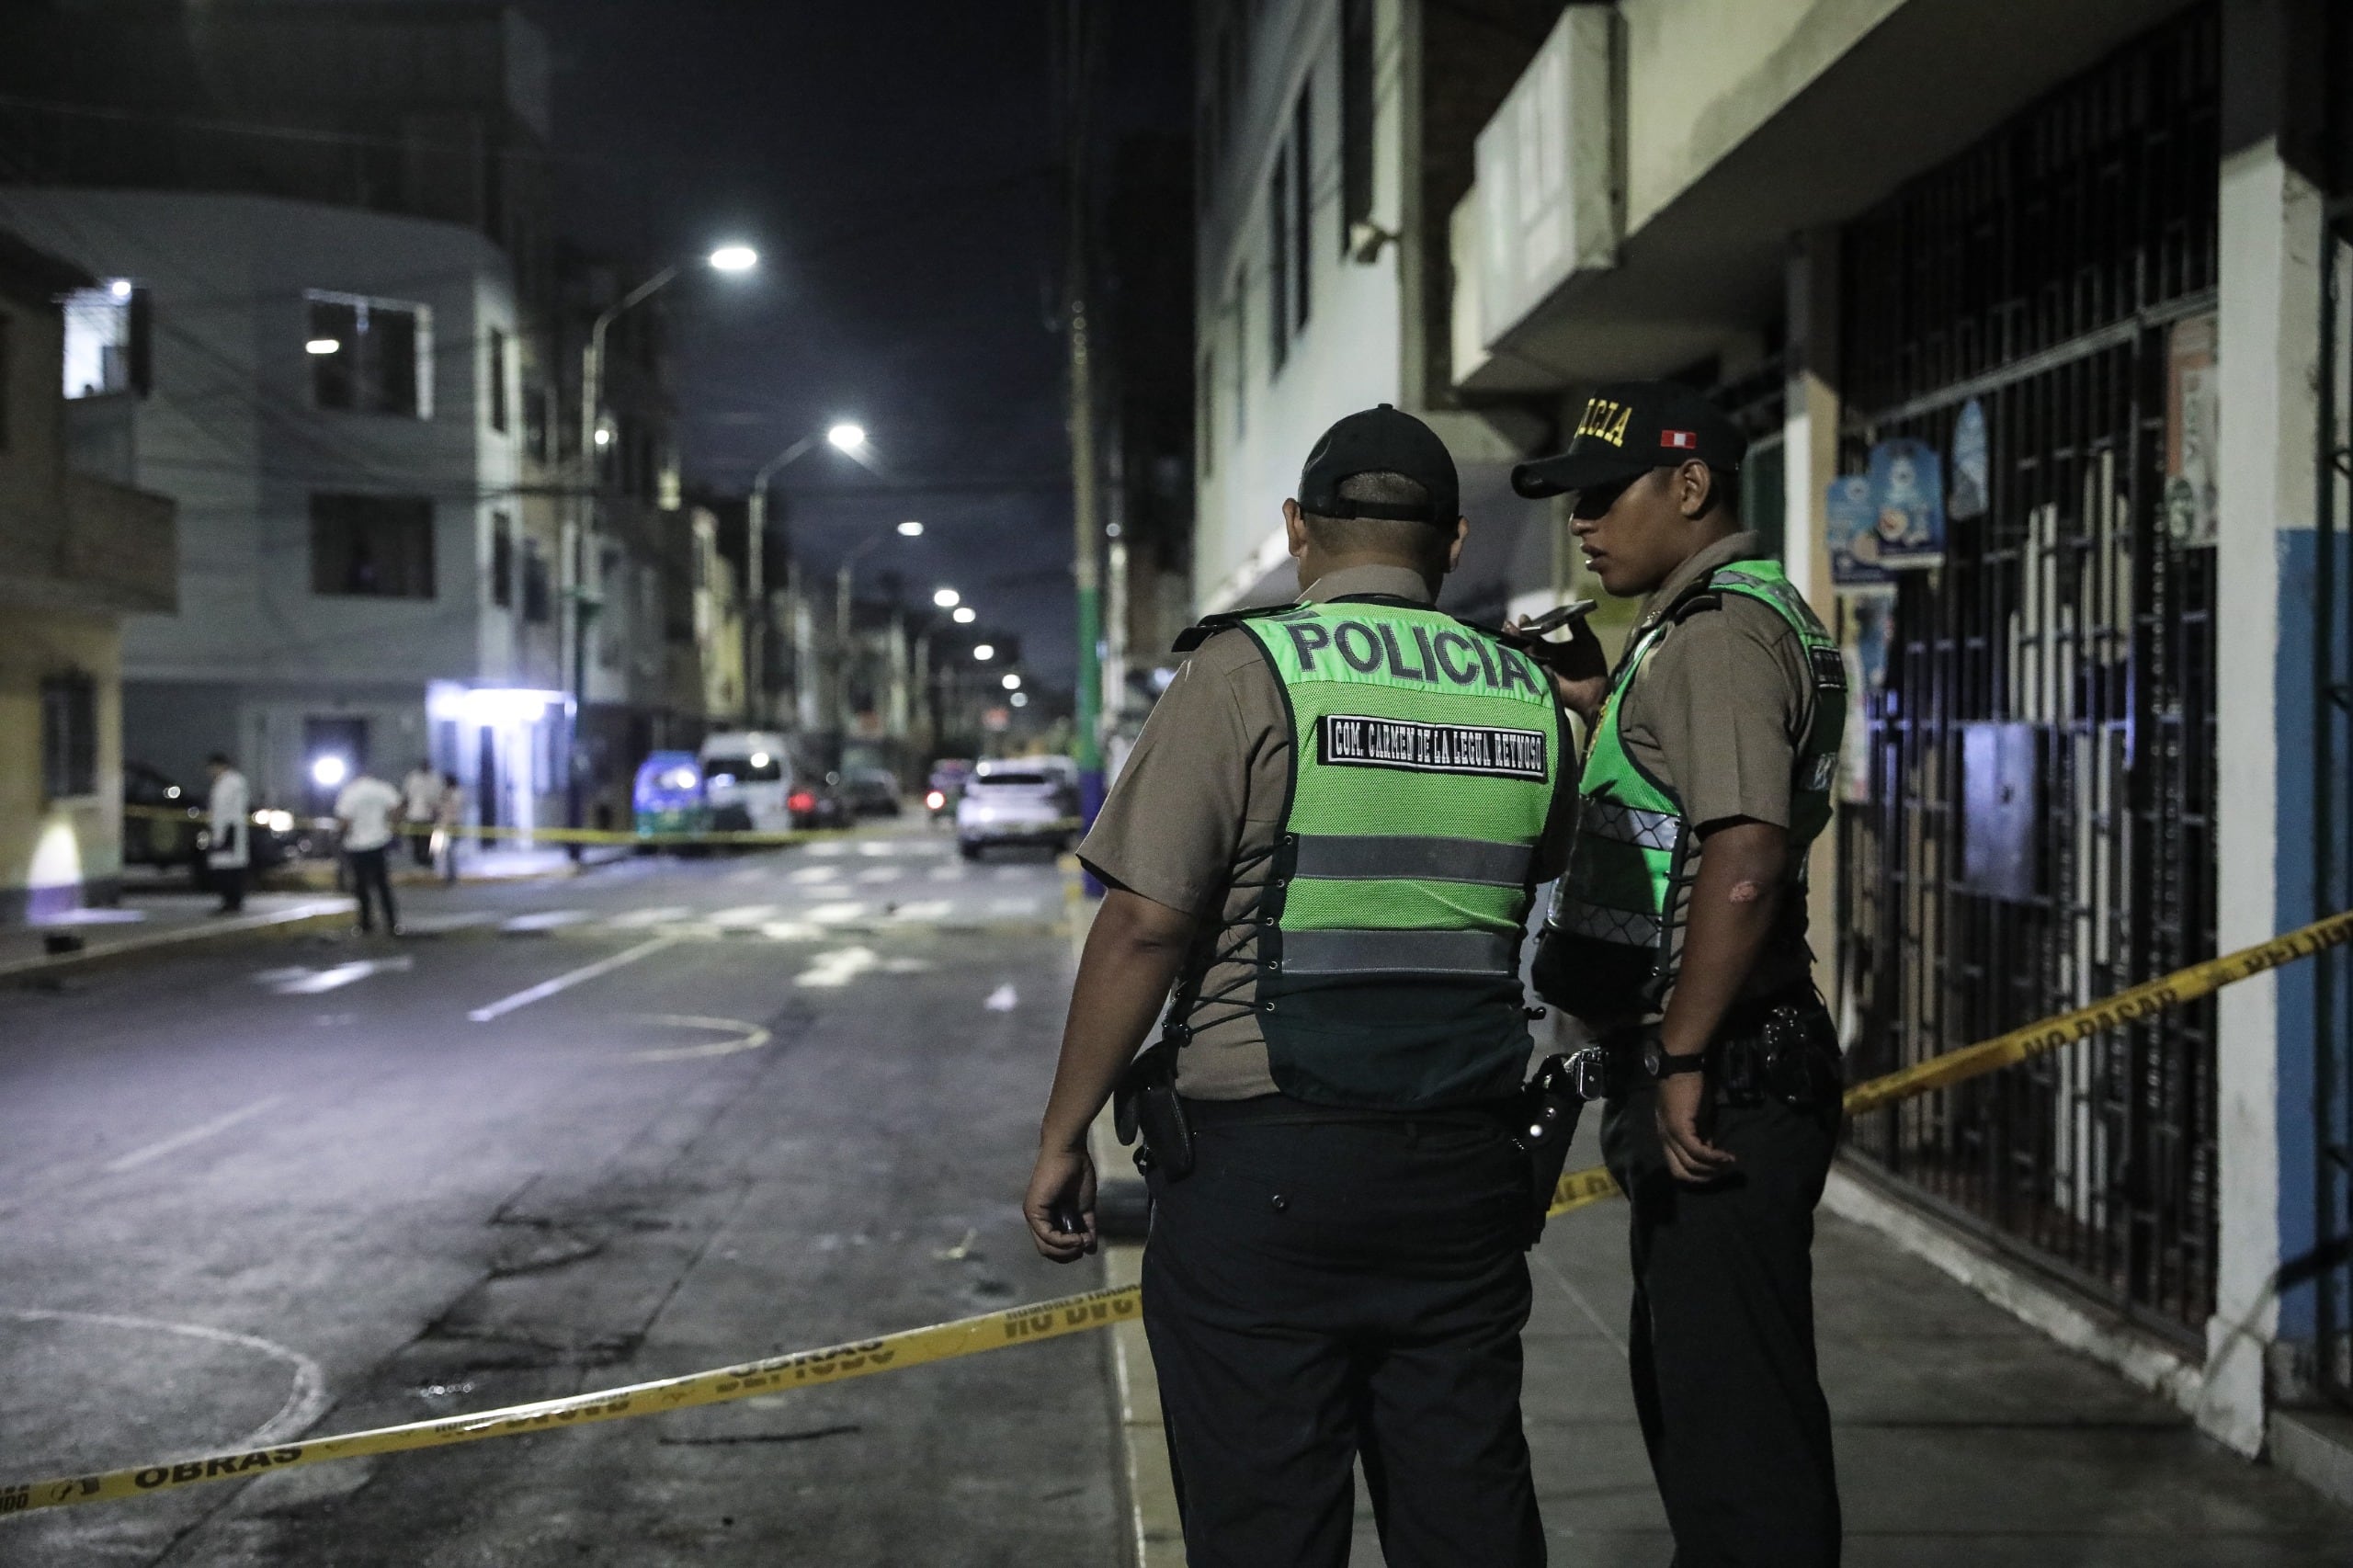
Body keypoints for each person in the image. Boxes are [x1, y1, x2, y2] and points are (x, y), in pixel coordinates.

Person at [1024, 404, 1574, 1567]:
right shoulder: (1527, 693)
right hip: (1466, 1167)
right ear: (1455, 541)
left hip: (1268, 1172)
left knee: (1267, 1518)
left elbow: (1140, 924)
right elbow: (1546, 874)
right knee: (1467, 1504)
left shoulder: (1246, 669)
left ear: (1298, 529)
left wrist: (1064, 1129)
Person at [1511, 381, 1850, 1567]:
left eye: (1603, 497)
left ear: (1691, 486)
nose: (1583, 524)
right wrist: (1597, 695)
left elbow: (1744, 857)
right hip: (1733, 1058)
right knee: (1708, 1391)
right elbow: (1688, 793)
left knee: (1731, 1425)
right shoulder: (1714, 624)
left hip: (1730, 1070)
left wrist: (1688, 1053)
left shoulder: (1715, 635)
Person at [334, 763, 404, 936]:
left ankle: (365, 923)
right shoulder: (382, 788)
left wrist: (340, 837)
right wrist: (392, 827)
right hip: (379, 841)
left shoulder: (349, 792)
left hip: (357, 845)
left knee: (361, 886)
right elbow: (397, 809)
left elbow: (344, 820)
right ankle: (392, 923)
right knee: (382, 884)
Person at [204, 753, 250, 914]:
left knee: (231, 868)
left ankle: (233, 901)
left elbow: (226, 809)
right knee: (224, 867)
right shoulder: (223, 783)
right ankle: (229, 900)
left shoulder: (233, 782)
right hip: (223, 829)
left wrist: (221, 830)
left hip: (230, 829)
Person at [400, 759, 445, 869]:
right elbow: (406, 796)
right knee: (417, 840)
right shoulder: (412, 778)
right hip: (414, 815)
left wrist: (437, 810)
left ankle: (431, 860)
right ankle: (419, 861)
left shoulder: (436, 778)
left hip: (430, 815)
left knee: (432, 840)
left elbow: (440, 796)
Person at [432, 771, 464, 885]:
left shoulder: (457, 793)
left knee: (450, 851)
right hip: (441, 824)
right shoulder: (443, 793)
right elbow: (437, 807)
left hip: (453, 824)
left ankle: (451, 876)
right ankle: (442, 874)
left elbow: (454, 807)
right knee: (438, 850)